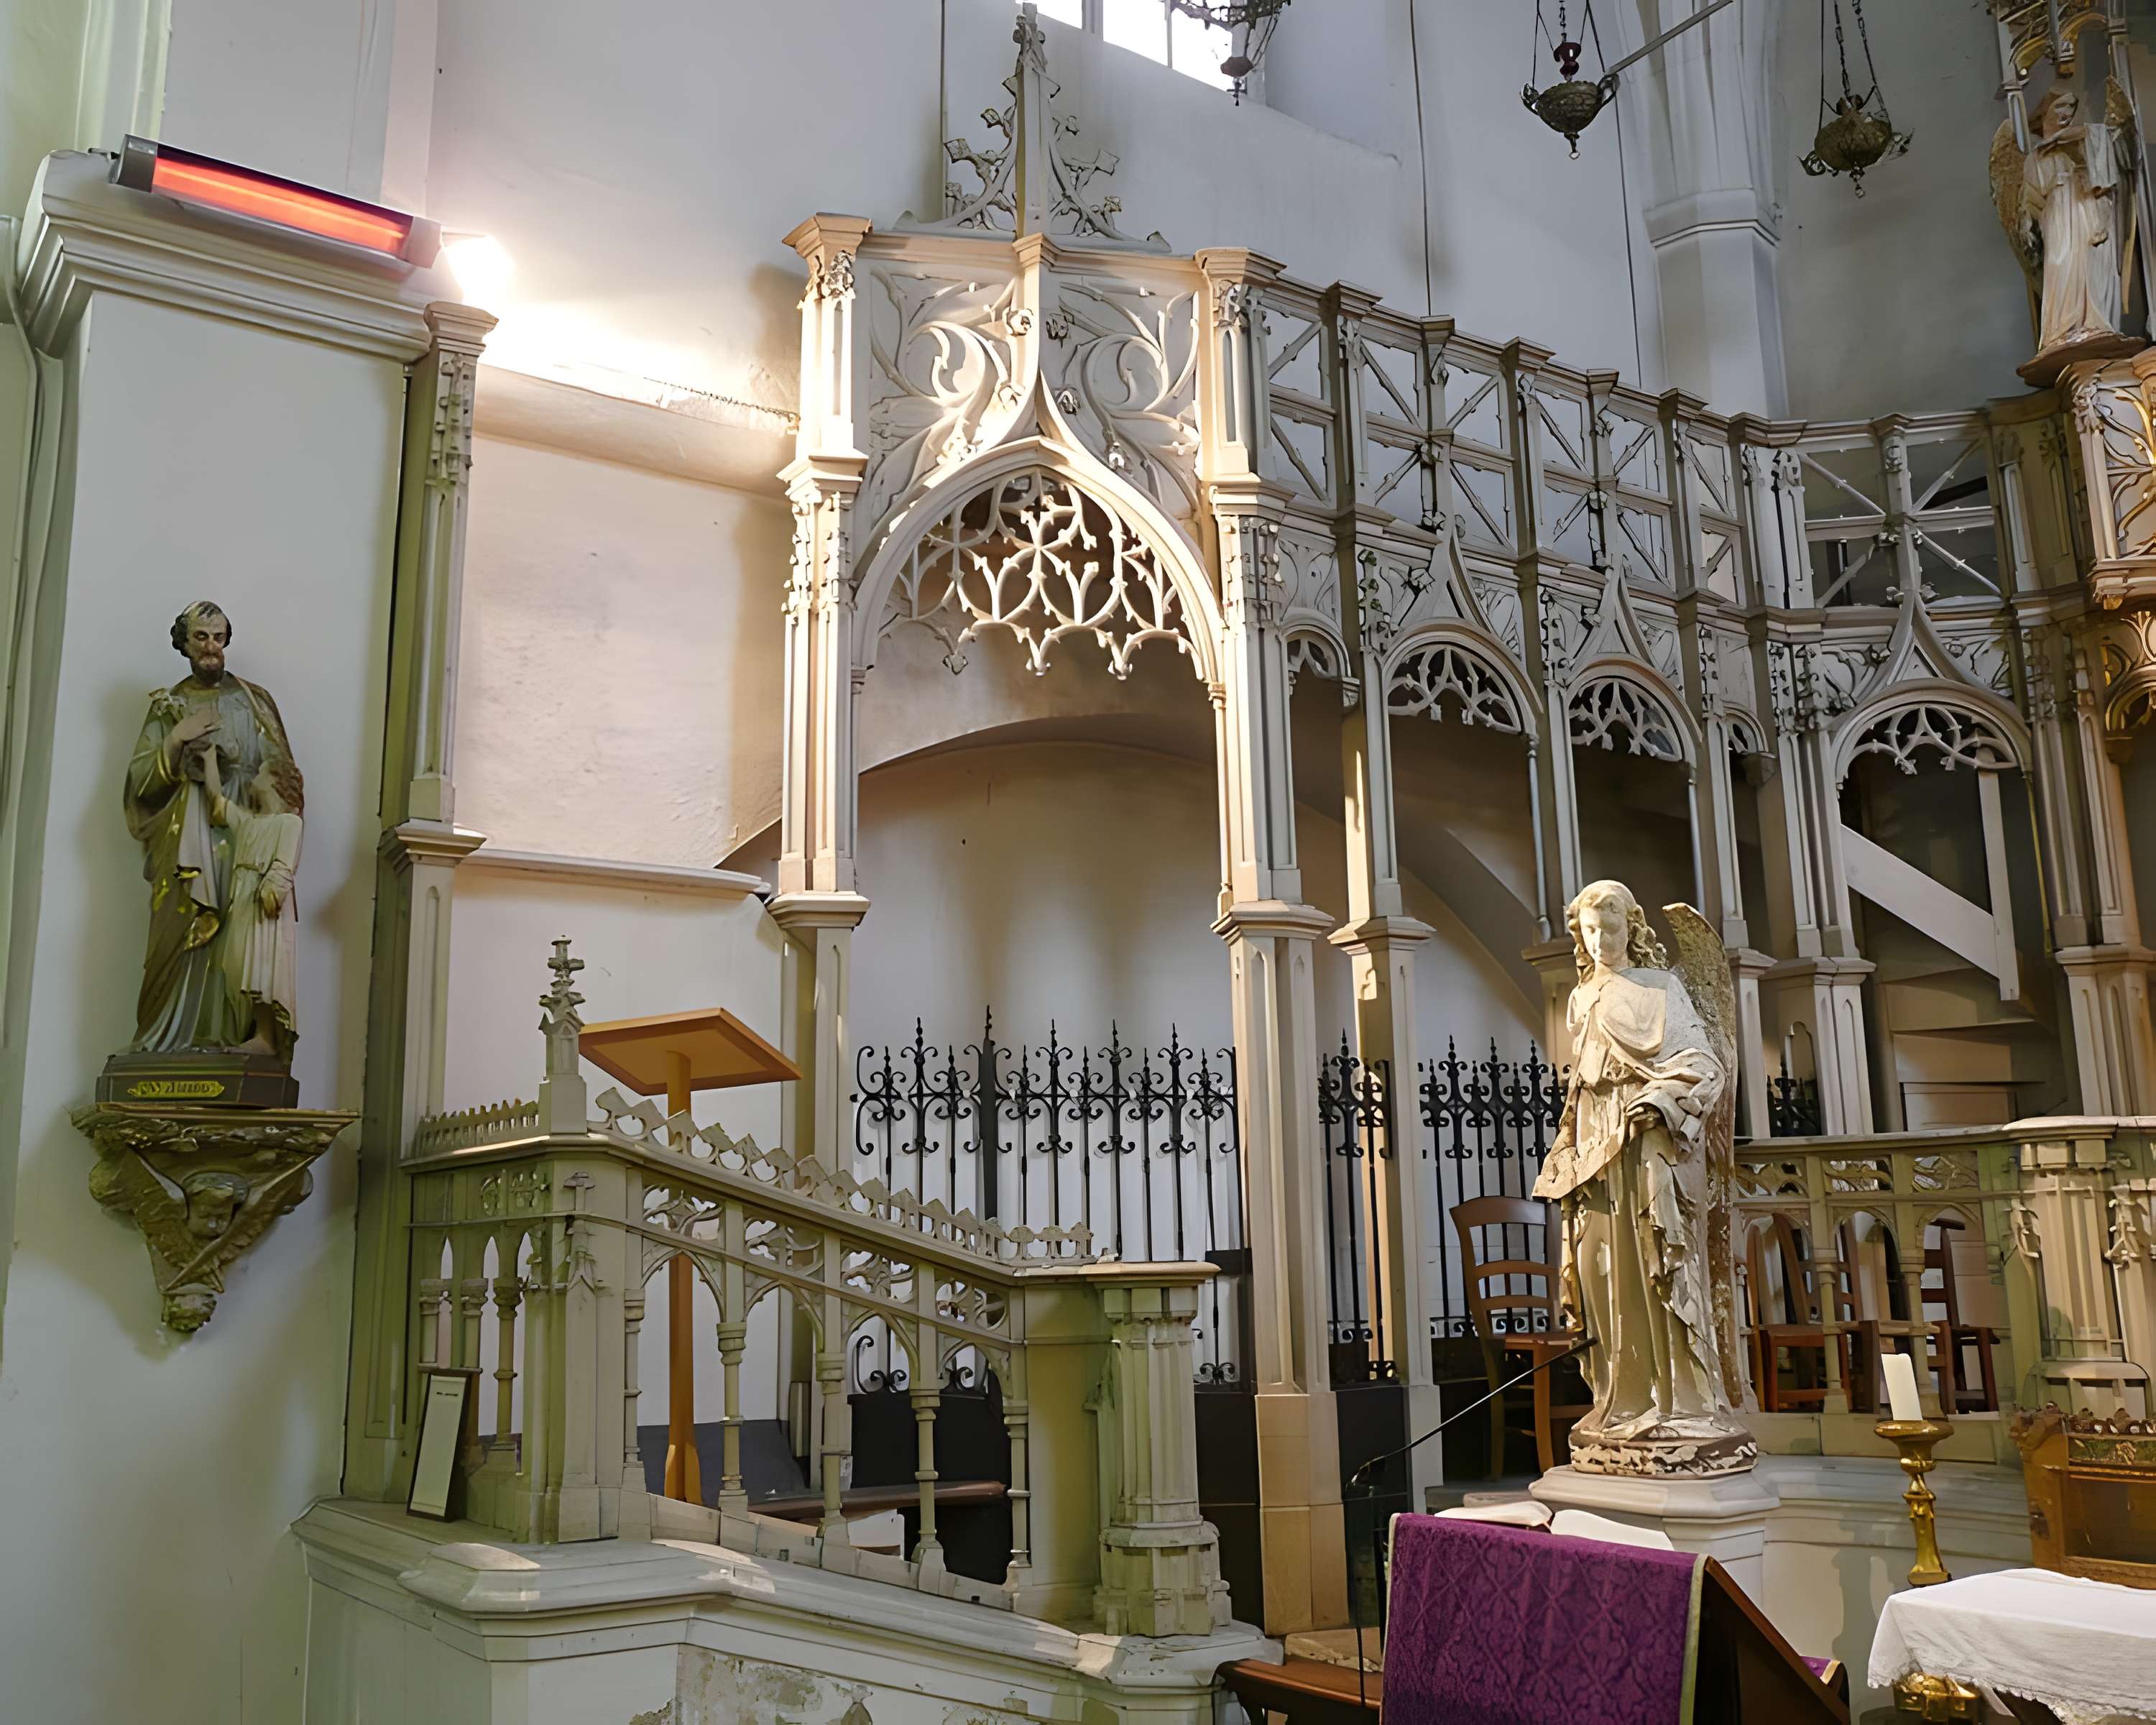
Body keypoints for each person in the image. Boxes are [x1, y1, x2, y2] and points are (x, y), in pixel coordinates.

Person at [1532, 879, 1752, 1474]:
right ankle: (1621, 1399)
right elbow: (1584, 1083)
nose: (1601, 941)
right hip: (1597, 1148)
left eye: (1611, 928)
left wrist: (1659, 1100)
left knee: (1659, 1265)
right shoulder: (1582, 998)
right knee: (1602, 1273)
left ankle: (1682, 1404)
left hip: (1650, 1142)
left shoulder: (1661, 988)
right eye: (1590, 930)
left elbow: (1702, 1064)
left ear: (1632, 928)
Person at [123, 602, 299, 1056]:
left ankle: (239, 1038)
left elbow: (283, 775)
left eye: (218, 637)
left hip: (246, 836)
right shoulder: (169, 706)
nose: (211, 647)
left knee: (244, 939)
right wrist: (177, 741)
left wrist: (278, 848)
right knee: (182, 930)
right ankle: (171, 1039)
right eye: (201, 637)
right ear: (183, 643)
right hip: (187, 832)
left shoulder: (255, 700)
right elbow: (140, 781)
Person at [213, 755, 303, 1062]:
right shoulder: (248, 823)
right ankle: (246, 1030)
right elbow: (217, 801)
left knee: (262, 968)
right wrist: (209, 759)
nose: (255, 777)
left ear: (275, 781)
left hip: (265, 907)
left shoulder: (288, 822)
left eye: (262, 772)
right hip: (241, 902)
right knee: (237, 966)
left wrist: (272, 890)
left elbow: (285, 862)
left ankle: (266, 1037)